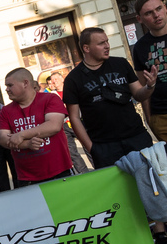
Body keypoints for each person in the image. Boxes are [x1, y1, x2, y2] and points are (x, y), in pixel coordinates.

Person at [63, 27, 155, 168]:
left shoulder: (121, 64)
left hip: (136, 137)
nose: (107, 46)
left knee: (150, 177)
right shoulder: (73, 79)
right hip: (104, 146)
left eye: (107, 41)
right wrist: (92, 149)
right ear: (86, 48)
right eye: (101, 43)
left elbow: (138, 94)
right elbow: (74, 117)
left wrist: (149, 86)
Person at [0, 68, 74, 186]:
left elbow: (54, 126)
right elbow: (2, 139)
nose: (7, 89)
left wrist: (21, 135)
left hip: (59, 173)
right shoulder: (5, 111)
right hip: (26, 178)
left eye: (10, 85)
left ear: (25, 83)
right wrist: (27, 144)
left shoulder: (50, 99)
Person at [132, 0, 167, 141]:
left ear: (165, 8)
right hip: (161, 116)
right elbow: (143, 86)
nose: (156, 15)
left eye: (158, 9)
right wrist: (149, 119)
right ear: (139, 19)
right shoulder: (140, 47)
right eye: (148, 13)